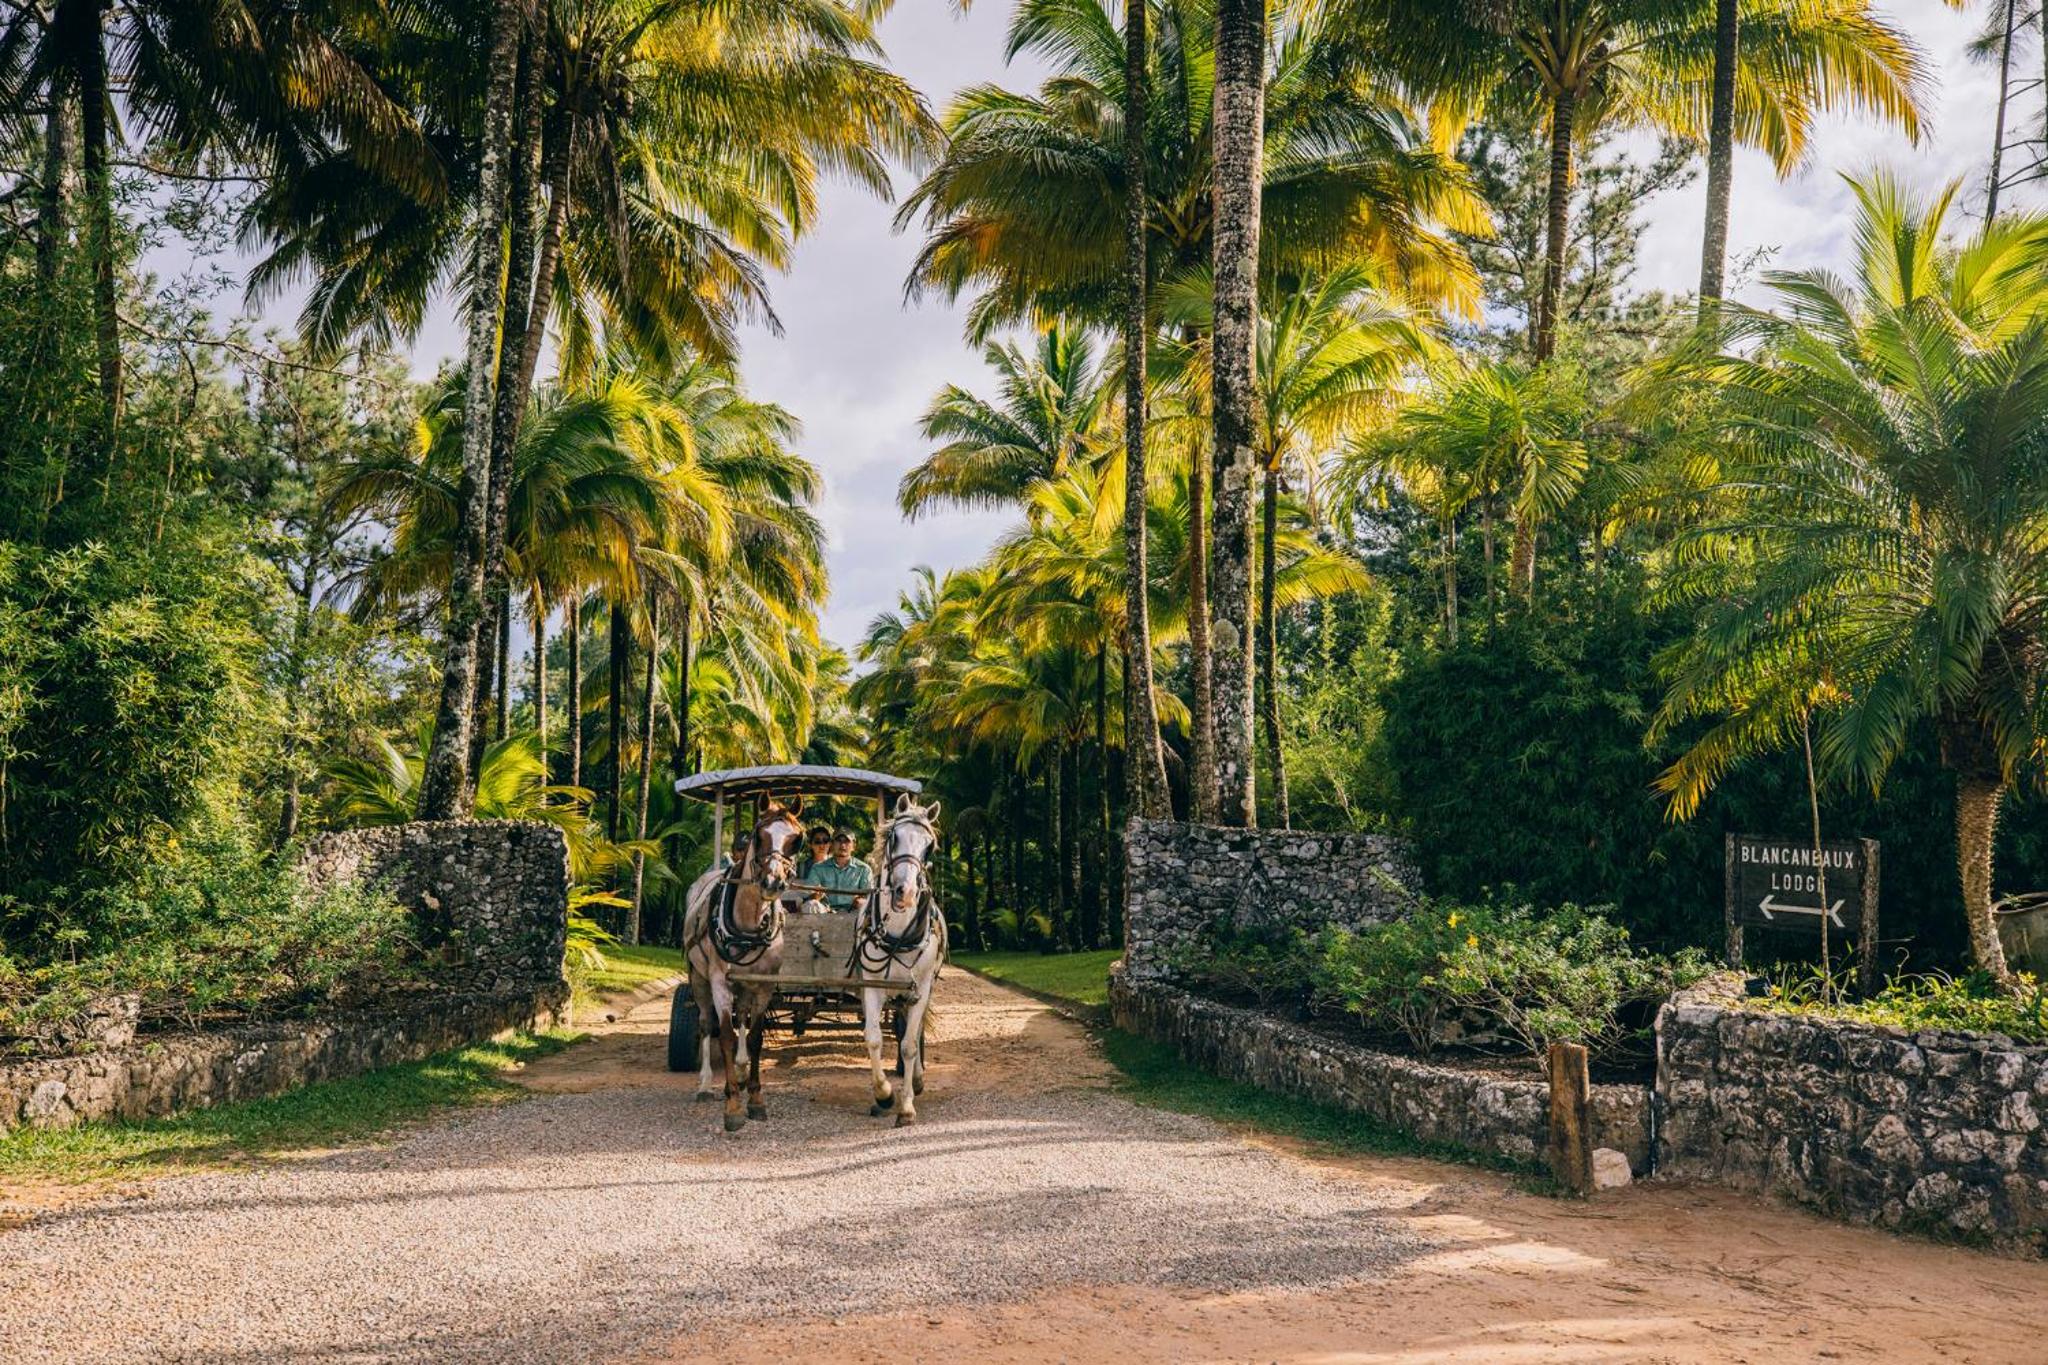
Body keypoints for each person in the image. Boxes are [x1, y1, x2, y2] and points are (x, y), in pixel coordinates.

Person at [810, 828, 874, 911]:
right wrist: (815, 896)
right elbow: (810, 894)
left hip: (854, 914)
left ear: (854, 846)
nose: (842, 845)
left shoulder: (864, 869)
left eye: (847, 841)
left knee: (864, 904)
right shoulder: (818, 868)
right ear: (832, 844)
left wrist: (860, 900)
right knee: (811, 905)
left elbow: (869, 897)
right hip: (825, 911)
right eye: (839, 841)